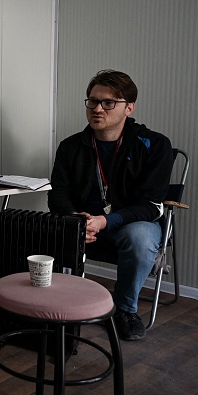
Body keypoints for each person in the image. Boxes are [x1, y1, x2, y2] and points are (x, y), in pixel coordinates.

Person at [48, 70, 174, 341]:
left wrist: (106, 221)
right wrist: (76, 220)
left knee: (140, 236)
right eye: (92, 101)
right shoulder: (70, 147)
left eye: (108, 103)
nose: (97, 108)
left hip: (129, 225)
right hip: (85, 224)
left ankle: (125, 310)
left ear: (129, 107)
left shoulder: (154, 144)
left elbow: (152, 205)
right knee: (39, 226)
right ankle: (54, 305)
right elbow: (57, 194)